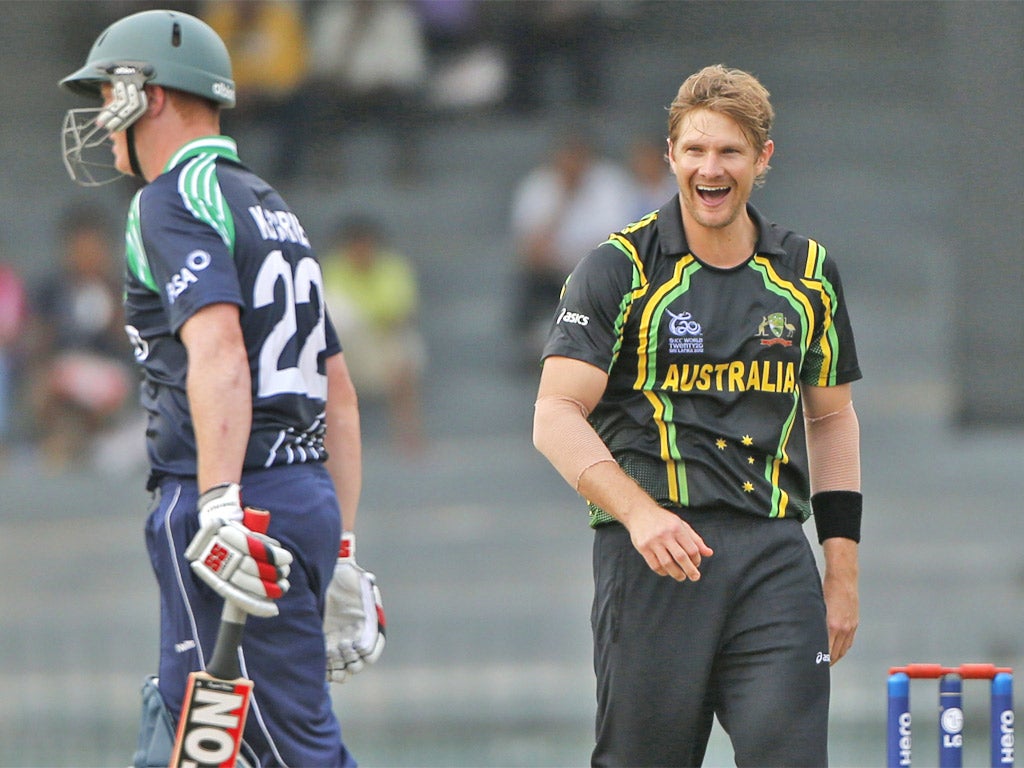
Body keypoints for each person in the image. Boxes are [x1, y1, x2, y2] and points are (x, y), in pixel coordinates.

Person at [59, 9, 384, 767]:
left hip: (235, 506)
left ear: (152, 94)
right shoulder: (269, 202)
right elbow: (338, 392)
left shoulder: (168, 199)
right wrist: (336, 548)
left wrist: (218, 504)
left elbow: (219, 351)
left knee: (282, 751)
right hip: (299, 494)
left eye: (110, 92)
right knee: (191, 739)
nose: (104, 116)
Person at [532, 65, 862, 767]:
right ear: (673, 154)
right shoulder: (618, 267)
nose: (710, 170)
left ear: (762, 159)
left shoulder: (806, 273)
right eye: (696, 151)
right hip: (654, 558)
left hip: (774, 557)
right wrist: (640, 514)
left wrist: (842, 573)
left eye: (730, 152)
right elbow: (555, 414)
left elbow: (831, 421)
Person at [509, 132, 633, 368]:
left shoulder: (611, 184)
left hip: (598, 274)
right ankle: (536, 345)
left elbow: (619, 243)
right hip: (553, 276)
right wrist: (564, 199)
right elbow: (532, 252)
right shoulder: (538, 186)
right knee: (529, 280)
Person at [27, 203, 135, 469]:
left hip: (110, 372)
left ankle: (89, 449)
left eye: (94, 249)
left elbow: (132, 344)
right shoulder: (52, 290)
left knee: (105, 392)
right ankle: (59, 446)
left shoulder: (120, 289)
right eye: (80, 249)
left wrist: (113, 316)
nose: (87, 256)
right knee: (46, 386)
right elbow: (38, 338)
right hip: (64, 368)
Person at [321, 214, 426, 456]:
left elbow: (399, 313)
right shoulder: (332, 268)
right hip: (343, 348)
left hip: (381, 343)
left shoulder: (393, 267)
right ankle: (327, 442)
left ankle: (409, 436)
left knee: (405, 352)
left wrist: (365, 318)